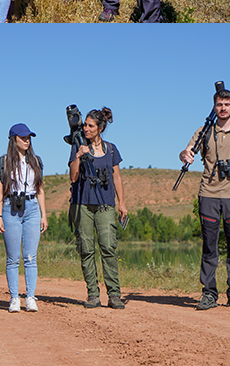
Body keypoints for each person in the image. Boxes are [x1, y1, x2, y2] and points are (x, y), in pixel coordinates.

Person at [179, 87, 230, 310]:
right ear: (214, 107)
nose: (223, 108)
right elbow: (186, 152)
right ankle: (209, 294)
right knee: (209, 247)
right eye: (219, 105)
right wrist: (185, 155)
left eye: (227, 105)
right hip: (209, 195)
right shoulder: (204, 130)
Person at [68, 107, 128, 309]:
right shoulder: (78, 145)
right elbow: (73, 177)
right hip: (83, 204)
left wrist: (122, 203)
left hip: (106, 205)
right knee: (86, 250)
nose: (85, 128)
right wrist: (78, 155)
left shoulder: (111, 149)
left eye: (90, 125)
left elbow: (116, 177)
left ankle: (115, 295)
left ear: (100, 128)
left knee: (108, 248)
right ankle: (93, 294)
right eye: (84, 124)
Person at [0, 123, 48, 313]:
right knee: (13, 258)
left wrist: (44, 215)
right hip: (10, 208)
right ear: (13, 139)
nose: (27, 140)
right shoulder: (3, 161)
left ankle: (30, 297)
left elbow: (40, 189)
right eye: (23, 137)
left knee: (31, 257)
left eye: (29, 137)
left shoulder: (36, 161)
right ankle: (14, 298)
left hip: (32, 208)